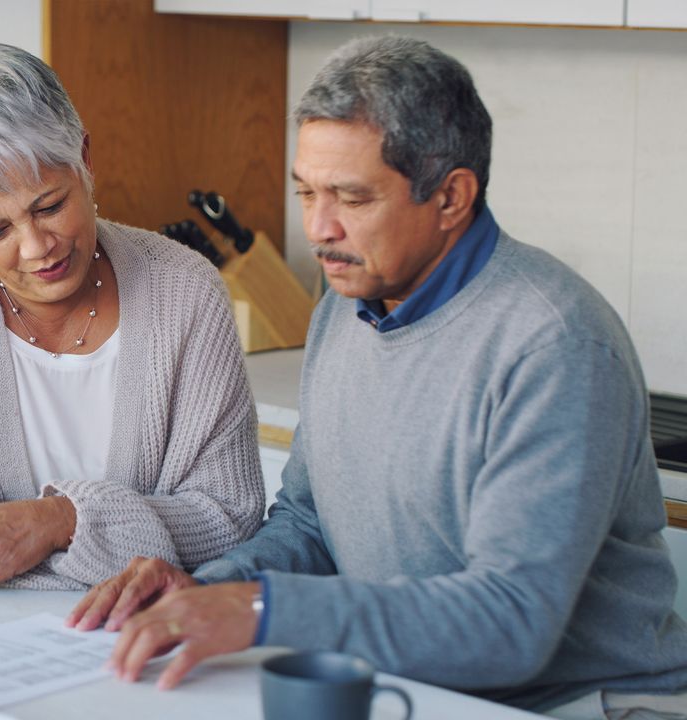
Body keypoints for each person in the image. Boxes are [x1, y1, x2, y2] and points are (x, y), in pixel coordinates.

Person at [68, 36, 687, 718]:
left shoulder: (554, 343)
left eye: (351, 198)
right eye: (306, 191)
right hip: (423, 687)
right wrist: (207, 586)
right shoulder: (345, 304)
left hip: (576, 704)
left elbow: (511, 624)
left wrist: (261, 608)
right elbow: (310, 522)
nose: (317, 228)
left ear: (451, 197)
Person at [0, 41, 263, 590]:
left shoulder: (186, 289)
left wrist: (61, 522)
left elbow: (228, 519)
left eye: (49, 206)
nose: (36, 248)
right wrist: (127, 551)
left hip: (145, 640)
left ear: (85, 158)